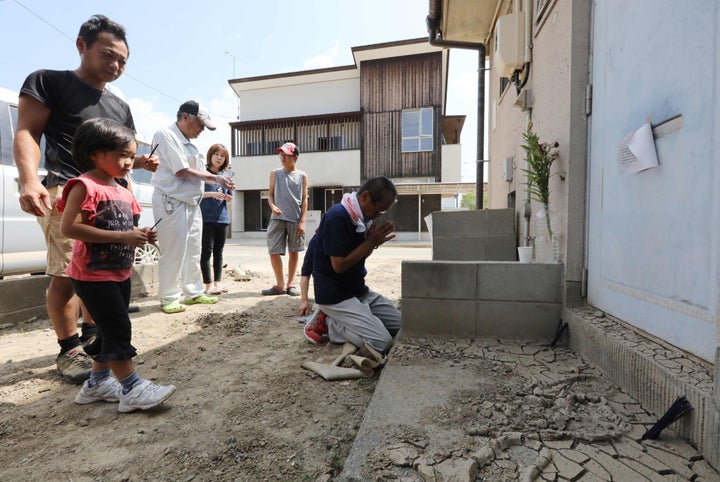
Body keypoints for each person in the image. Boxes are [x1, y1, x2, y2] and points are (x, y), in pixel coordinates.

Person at [13, 15, 159, 384]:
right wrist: (29, 180)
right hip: (69, 189)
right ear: (81, 45)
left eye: (122, 62)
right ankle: (69, 349)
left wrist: (137, 162)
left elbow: (117, 154)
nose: (115, 65)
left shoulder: (120, 107)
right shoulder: (49, 81)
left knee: (105, 270)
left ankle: (98, 344)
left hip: (114, 196)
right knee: (68, 272)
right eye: (108, 55)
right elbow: (28, 131)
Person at [58, 117, 175, 412]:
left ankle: (96, 383)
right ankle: (131, 387)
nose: (129, 162)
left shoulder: (124, 190)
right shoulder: (84, 186)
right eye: (122, 154)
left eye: (132, 155)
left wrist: (142, 235)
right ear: (94, 153)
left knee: (110, 327)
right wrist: (124, 236)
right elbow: (69, 228)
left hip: (118, 271)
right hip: (92, 274)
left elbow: (127, 227)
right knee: (118, 327)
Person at [151, 101, 236, 314]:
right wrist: (217, 179)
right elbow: (182, 171)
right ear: (185, 117)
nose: (201, 130)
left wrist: (216, 180)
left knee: (193, 250)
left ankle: (194, 292)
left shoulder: (191, 144)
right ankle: (169, 297)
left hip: (192, 203)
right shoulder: (166, 135)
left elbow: (196, 177)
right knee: (173, 251)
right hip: (170, 201)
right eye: (200, 124)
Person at [303, 176, 401, 354]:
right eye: (379, 209)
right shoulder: (337, 217)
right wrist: (370, 242)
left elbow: (361, 255)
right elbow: (338, 266)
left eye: (384, 212)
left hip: (357, 290)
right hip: (335, 296)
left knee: (402, 326)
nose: (379, 214)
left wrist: (372, 242)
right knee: (382, 342)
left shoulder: (362, 218)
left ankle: (351, 320)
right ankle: (328, 323)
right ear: (364, 197)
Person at [262, 142, 308, 297]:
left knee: (294, 251)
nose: (283, 157)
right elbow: (270, 194)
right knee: (273, 250)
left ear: (295, 158)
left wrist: (302, 221)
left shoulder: (302, 176)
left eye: (287, 155)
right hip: (277, 218)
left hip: (295, 219)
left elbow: (304, 199)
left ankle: (290, 284)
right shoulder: (275, 173)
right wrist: (272, 206)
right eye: (281, 154)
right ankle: (279, 284)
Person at [200, 144, 233, 295]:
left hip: (222, 218)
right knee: (206, 251)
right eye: (216, 154)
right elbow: (197, 194)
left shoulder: (226, 175)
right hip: (206, 217)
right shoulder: (202, 173)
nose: (219, 158)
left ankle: (217, 283)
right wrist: (212, 194)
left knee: (219, 252)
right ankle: (208, 285)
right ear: (210, 155)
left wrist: (227, 197)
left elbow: (229, 197)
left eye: (222, 155)